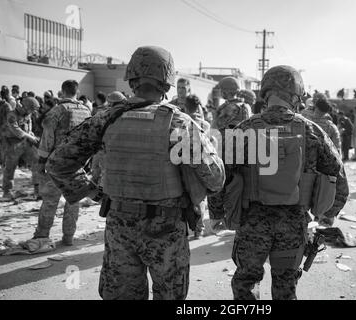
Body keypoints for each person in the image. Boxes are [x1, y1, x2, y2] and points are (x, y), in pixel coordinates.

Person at [45, 46, 225, 300]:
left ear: (131, 78)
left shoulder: (106, 118)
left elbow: (57, 163)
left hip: (120, 226)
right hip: (167, 230)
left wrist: (92, 192)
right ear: (167, 82)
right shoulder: (179, 123)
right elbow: (215, 179)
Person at [230, 65, 349, 300]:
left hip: (251, 224)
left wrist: (218, 215)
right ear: (296, 95)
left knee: (246, 284)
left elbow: (223, 177)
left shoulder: (243, 129)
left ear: (265, 93)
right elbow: (338, 176)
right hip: (294, 225)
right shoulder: (312, 130)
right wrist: (328, 213)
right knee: (286, 287)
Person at [32, 80, 92, 246]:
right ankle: (68, 237)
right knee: (73, 200)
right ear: (77, 91)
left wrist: (42, 161)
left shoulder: (57, 110)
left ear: (62, 91)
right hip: (77, 163)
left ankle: (42, 235)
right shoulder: (86, 110)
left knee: (51, 200)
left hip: (57, 162)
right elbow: (90, 138)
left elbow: (47, 139)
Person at [209, 76, 252, 232]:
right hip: (241, 152)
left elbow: (213, 130)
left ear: (226, 91)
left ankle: (217, 218)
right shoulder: (245, 107)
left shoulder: (223, 108)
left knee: (218, 186)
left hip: (223, 152)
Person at [1, 97, 40, 199]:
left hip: (25, 143)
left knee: (37, 161)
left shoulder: (28, 114)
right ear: (26, 107)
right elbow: (15, 130)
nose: (33, 112)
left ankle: (38, 190)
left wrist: (31, 133)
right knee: (10, 167)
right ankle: (7, 192)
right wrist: (30, 136)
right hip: (12, 144)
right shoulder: (11, 114)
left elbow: (29, 124)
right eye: (32, 109)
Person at [184, 94, 211, 239]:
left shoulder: (182, 121)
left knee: (186, 196)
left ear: (185, 106)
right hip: (202, 165)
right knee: (200, 197)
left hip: (185, 165)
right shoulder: (205, 124)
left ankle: (188, 228)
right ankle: (198, 230)